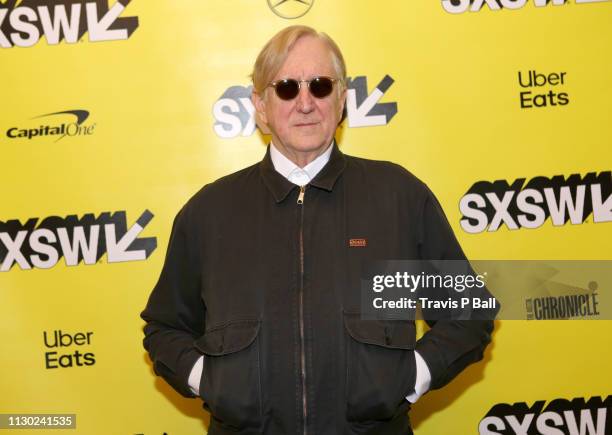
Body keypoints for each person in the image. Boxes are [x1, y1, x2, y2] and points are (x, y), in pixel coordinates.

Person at [141, 25, 498, 435]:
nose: (306, 103)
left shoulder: (398, 197)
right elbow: (165, 327)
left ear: (342, 99)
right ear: (260, 105)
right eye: (288, 88)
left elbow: (469, 312)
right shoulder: (209, 212)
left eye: (321, 86)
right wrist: (209, 380)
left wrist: (409, 376)